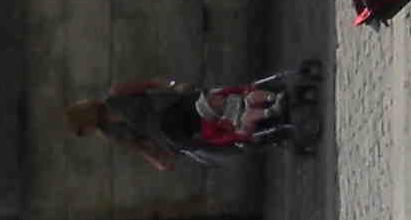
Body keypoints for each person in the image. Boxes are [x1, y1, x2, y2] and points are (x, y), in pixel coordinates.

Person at [70, 69, 323, 167]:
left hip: (175, 110)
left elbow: (150, 82)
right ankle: (270, 123)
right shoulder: (111, 132)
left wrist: (174, 85)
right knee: (222, 138)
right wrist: (159, 159)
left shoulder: (116, 97)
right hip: (174, 133)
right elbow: (141, 146)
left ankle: (273, 111)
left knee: (225, 109)